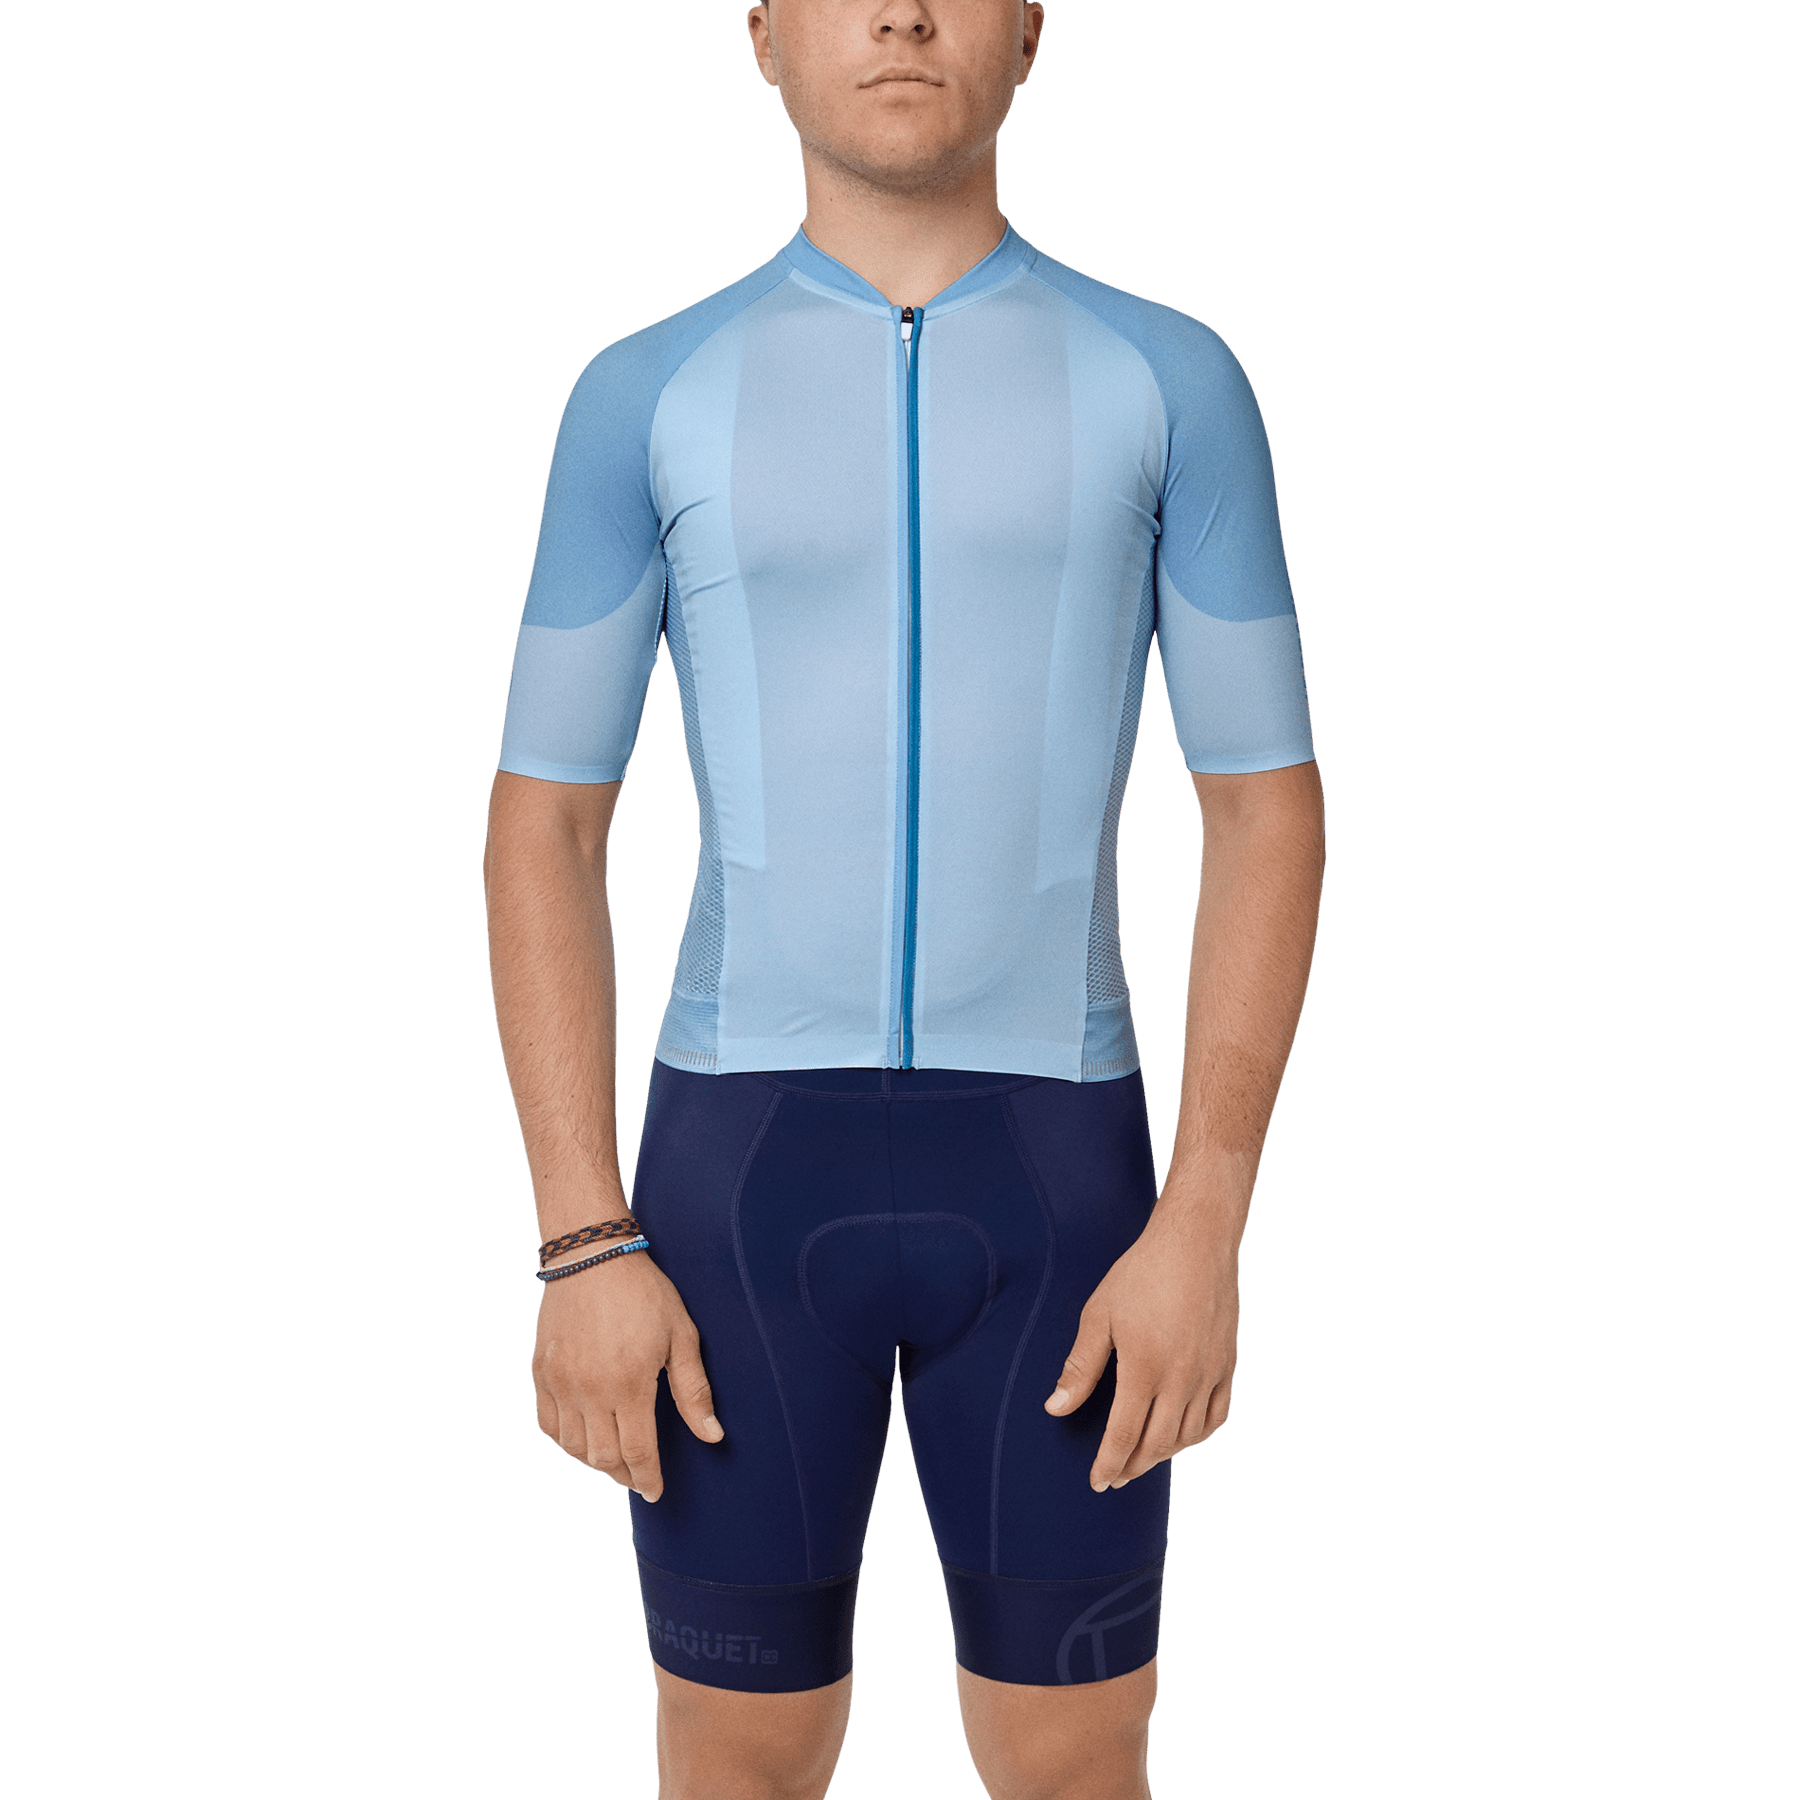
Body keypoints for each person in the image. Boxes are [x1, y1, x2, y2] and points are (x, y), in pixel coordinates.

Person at [483, 4, 1325, 1795]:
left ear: (1029, 34)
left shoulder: (1166, 378)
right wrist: (579, 1236)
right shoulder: (648, 393)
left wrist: (1206, 1221)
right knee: (735, 1759)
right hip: (734, 1184)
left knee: (1076, 1761)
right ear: (764, 34)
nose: (902, 12)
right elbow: (545, 824)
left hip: (1061, 1186)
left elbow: (1262, 807)